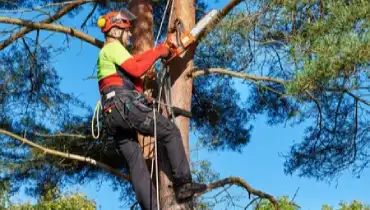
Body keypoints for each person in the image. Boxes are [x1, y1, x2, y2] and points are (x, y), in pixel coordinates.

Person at [96, 9, 206, 210]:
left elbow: (135, 66)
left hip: (112, 115)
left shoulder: (108, 54)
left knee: (136, 163)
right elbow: (138, 69)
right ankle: (183, 184)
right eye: (127, 31)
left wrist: (159, 50)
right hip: (124, 107)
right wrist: (158, 52)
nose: (130, 34)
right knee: (170, 131)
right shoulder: (113, 47)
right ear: (116, 30)